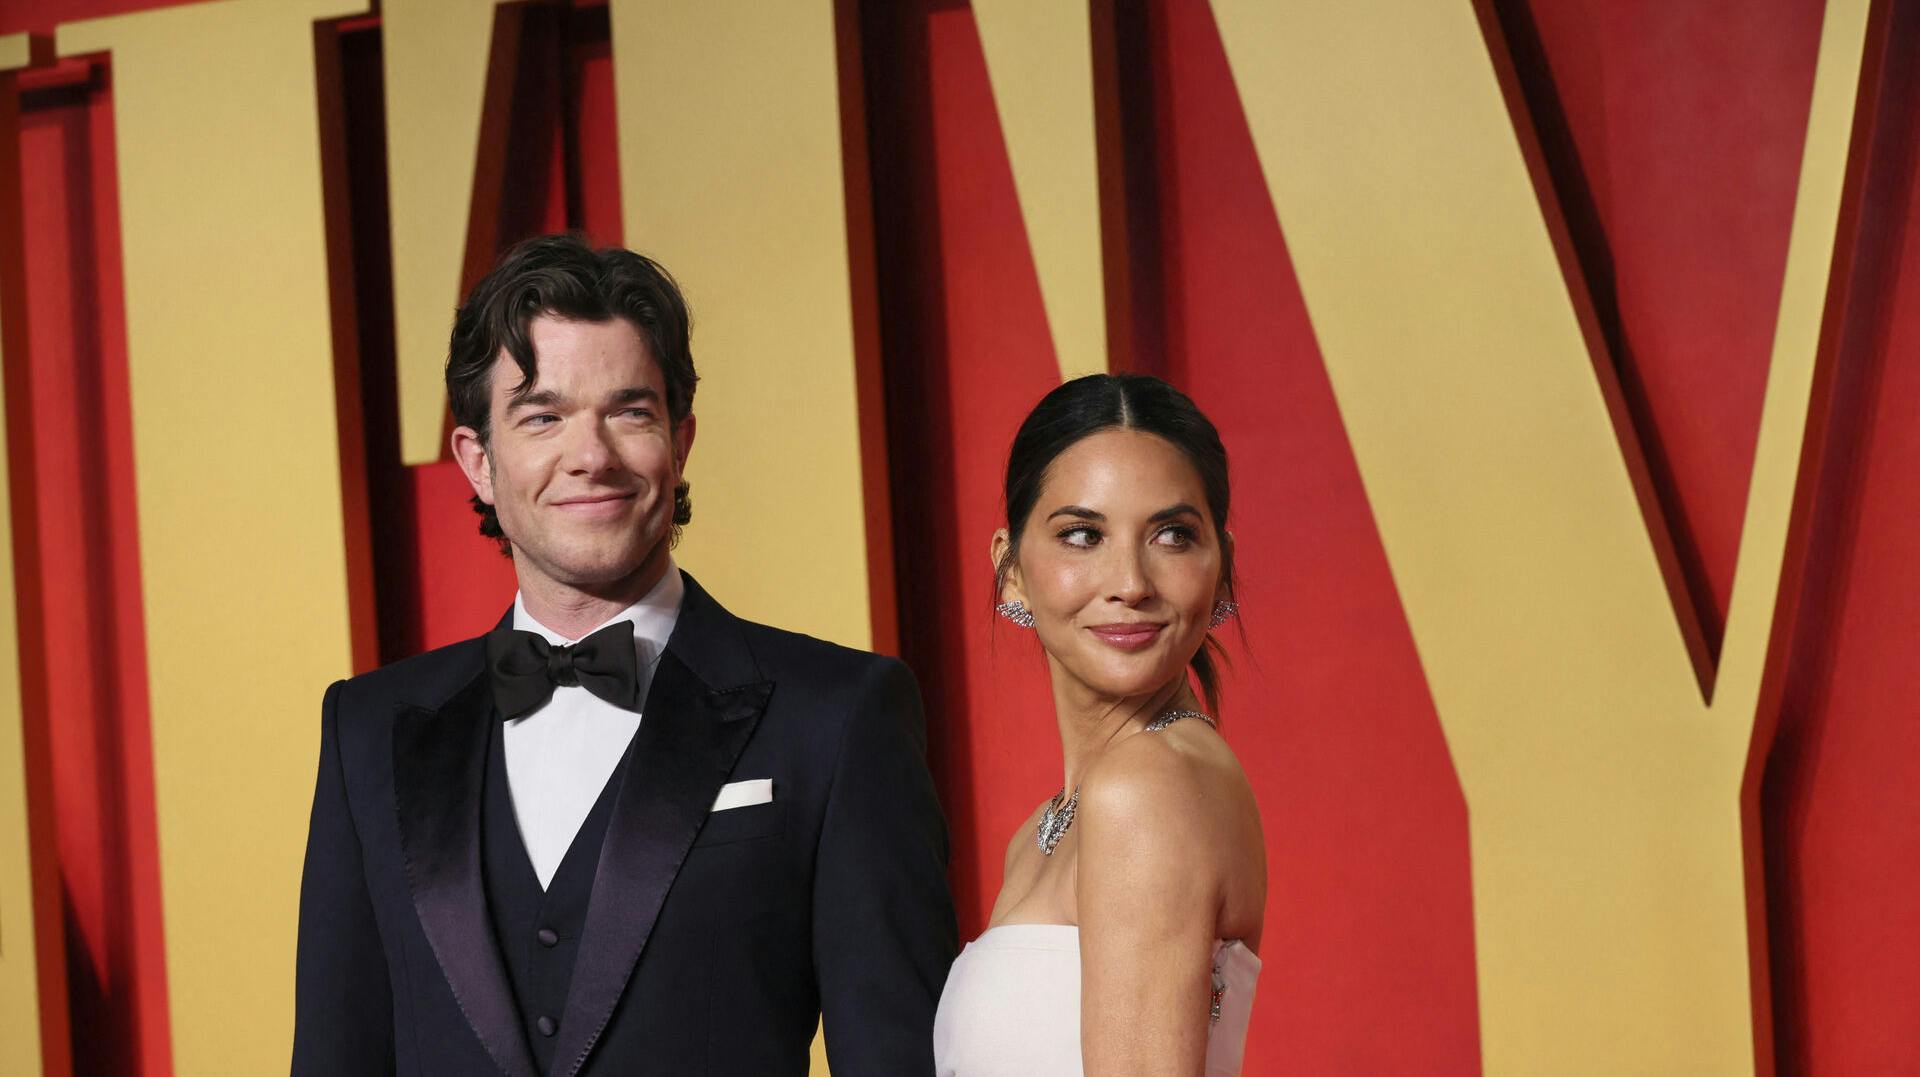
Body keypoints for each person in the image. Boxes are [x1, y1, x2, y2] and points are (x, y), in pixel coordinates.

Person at [292, 234, 956, 1077]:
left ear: (679, 440)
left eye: (629, 411)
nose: (591, 455)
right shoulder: (368, 729)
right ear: (478, 461)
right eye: (543, 415)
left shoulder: (836, 713)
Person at [933, 374, 1266, 1076]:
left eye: (1172, 535)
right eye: (1083, 534)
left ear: (1224, 572)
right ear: (1012, 569)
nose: (1130, 582)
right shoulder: (1042, 832)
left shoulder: (1147, 787)